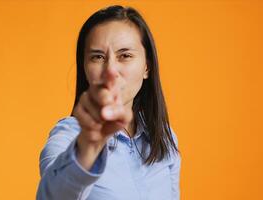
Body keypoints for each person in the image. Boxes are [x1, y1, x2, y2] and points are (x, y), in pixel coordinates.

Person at [36, 5, 181, 200]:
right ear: (85, 69)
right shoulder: (70, 135)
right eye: (97, 57)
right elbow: (51, 195)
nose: (110, 70)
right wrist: (87, 148)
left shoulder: (165, 137)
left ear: (147, 67)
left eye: (125, 55)